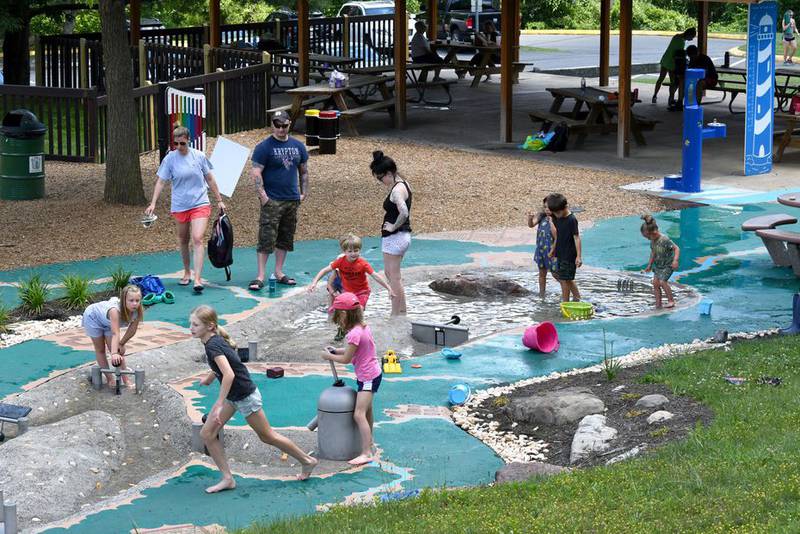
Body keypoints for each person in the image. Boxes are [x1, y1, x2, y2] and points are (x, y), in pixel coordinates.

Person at [190, 305, 317, 493]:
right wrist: (209, 378)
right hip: (234, 397)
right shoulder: (213, 341)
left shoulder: (213, 346)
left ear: (209, 326)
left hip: (245, 396)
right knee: (207, 434)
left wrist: (217, 404)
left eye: (195, 324)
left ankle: (307, 461)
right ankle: (227, 478)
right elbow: (226, 362)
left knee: (267, 436)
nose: (191, 328)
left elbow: (229, 374)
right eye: (191, 324)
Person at [146, 124, 226, 293]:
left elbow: (210, 178)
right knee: (183, 239)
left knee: (197, 238)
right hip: (180, 205)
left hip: (200, 203)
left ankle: (197, 278)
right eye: (176, 144)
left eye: (182, 143)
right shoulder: (170, 158)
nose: (179, 147)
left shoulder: (199, 156)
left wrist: (219, 200)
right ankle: (187, 271)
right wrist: (153, 203)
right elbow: (161, 181)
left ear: (189, 141)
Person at [249, 110, 309, 291]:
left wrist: (303, 193)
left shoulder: (298, 146)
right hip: (272, 199)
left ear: (289, 124)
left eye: (284, 125)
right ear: (272, 125)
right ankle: (260, 275)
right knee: (267, 236)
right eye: (277, 125)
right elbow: (256, 172)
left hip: (291, 199)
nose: (281, 129)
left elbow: (304, 171)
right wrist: (263, 196)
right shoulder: (264, 147)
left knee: (285, 237)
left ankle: (279, 271)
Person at [322, 292, 382, 466]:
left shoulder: (354, 334)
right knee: (368, 411)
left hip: (368, 377)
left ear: (345, 315)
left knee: (359, 414)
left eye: (338, 315)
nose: (338, 320)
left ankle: (366, 452)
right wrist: (336, 350)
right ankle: (368, 442)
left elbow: (346, 359)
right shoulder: (363, 327)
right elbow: (352, 351)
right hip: (372, 373)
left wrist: (328, 357)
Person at [371, 151, 411, 316]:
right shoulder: (404, 183)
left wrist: (393, 227)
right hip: (402, 237)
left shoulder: (396, 191)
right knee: (394, 276)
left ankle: (396, 314)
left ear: (389, 173)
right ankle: (401, 310)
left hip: (396, 237)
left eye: (381, 178)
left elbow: (404, 212)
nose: (381, 182)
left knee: (393, 277)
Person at [82, 285, 144, 388]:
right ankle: (110, 379)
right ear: (124, 300)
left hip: (108, 323)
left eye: (137, 300)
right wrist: (114, 353)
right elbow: (116, 333)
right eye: (131, 300)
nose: (134, 303)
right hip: (93, 318)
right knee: (101, 349)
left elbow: (132, 329)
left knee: (118, 351)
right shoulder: (115, 311)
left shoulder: (138, 310)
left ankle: (126, 380)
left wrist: (121, 344)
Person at [546, 193, 582, 303]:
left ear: (566, 207)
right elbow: (558, 235)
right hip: (560, 253)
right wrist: (553, 249)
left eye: (558, 212)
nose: (557, 215)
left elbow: (576, 238)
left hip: (569, 254)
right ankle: (577, 298)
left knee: (564, 280)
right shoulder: (556, 217)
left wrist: (578, 256)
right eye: (554, 213)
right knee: (567, 279)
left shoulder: (571, 220)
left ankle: (565, 303)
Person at [641, 215, 680, 309]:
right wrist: (649, 265)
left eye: (647, 237)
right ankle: (658, 303)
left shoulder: (664, 239)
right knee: (655, 283)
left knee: (662, 282)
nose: (647, 239)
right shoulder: (653, 241)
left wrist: (675, 260)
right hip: (658, 266)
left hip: (668, 265)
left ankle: (671, 301)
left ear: (654, 232)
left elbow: (676, 248)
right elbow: (653, 252)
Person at [652, 28, 696, 106]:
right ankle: (671, 99)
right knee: (673, 82)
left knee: (660, 78)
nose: (691, 39)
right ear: (688, 35)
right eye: (692, 37)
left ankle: (655, 95)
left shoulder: (676, 36)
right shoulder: (681, 42)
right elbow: (679, 54)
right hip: (672, 63)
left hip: (665, 59)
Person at [527, 197, 558, 298]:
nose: (547, 210)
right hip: (541, 250)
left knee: (555, 274)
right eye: (545, 207)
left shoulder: (557, 219)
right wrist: (530, 218)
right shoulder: (541, 216)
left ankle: (567, 289)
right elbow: (531, 225)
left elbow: (556, 236)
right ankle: (542, 294)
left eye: (549, 207)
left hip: (552, 251)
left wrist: (551, 222)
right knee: (542, 273)